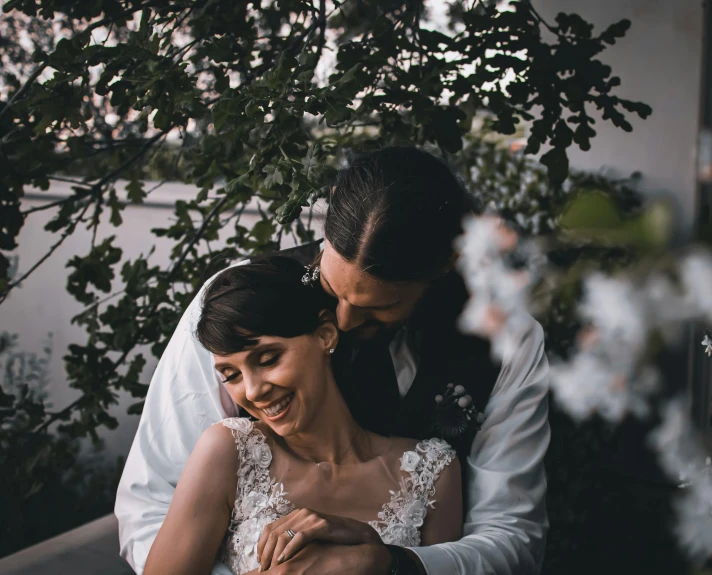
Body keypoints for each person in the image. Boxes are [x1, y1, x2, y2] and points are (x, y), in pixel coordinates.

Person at [116, 146, 550, 575]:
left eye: (379, 306)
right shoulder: (236, 306)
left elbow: (512, 535)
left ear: (448, 264)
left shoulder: (506, 341)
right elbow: (152, 503)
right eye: (332, 286)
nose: (343, 320)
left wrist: (395, 565)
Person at [143, 256, 462, 575]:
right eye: (231, 375)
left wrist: (376, 554)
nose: (252, 391)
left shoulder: (431, 472)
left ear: (325, 334)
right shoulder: (229, 451)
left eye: (267, 359)